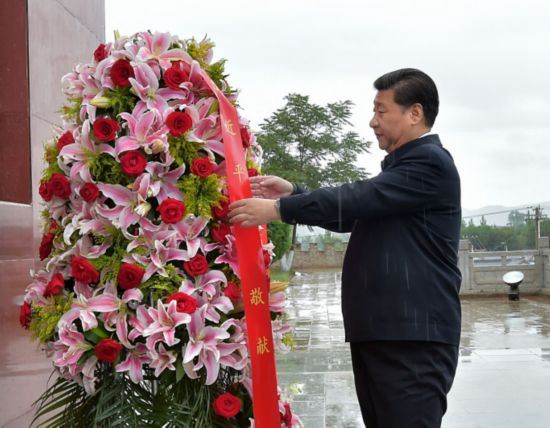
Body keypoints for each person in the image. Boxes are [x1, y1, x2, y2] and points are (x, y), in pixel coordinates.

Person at [228, 68, 462, 428]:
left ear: (415, 113)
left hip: (412, 339)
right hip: (385, 333)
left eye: (381, 111)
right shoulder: (401, 173)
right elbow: (356, 212)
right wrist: (294, 194)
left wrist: (278, 210)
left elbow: (359, 197)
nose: (372, 121)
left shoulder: (430, 163)